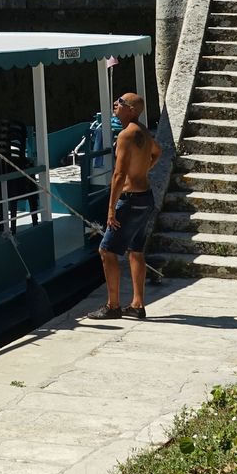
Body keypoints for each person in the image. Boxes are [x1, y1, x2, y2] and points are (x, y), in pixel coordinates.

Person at [88, 92, 161, 321]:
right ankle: (137, 305)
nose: (115, 106)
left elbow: (119, 175)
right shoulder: (143, 132)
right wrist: (143, 170)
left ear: (130, 109)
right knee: (136, 251)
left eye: (119, 103)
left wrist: (111, 209)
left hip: (130, 200)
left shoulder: (125, 135)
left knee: (106, 251)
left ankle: (113, 306)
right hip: (146, 197)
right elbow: (158, 152)